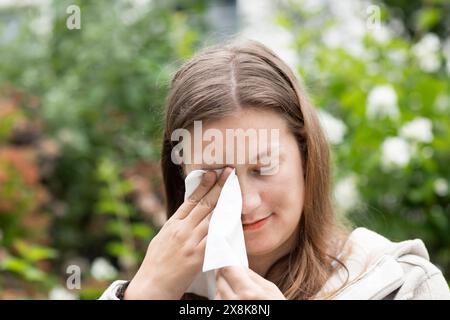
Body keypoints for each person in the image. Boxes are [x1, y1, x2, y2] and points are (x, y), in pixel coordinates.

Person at [100, 40, 450, 300]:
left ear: (306, 156)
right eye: (217, 176)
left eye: (263, 166)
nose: (247, 203)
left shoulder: (403, 284)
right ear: (183, 175)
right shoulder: (164, 291)